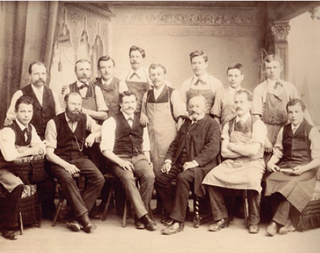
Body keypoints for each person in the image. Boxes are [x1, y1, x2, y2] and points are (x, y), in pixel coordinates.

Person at [202, 89, 267, 234]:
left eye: (242, 102)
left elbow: (253, 152)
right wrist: (243, 148)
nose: (238, 105)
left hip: (253, 163)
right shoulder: (228, 124)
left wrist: (232, 145)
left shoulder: (258, 124)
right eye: (236, 102)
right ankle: (221, 217)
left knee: (252, 181)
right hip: (232, 163)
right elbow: (224, 152)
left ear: (250, 104)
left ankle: (254, 220)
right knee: (211, 177)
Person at [156, 95, 220, 235]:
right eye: (191, 106)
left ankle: (178, 222)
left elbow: (213, 148)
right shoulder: (186, 123)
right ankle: (178, 210)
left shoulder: (211, 124)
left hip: (201, 166)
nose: (194, 109)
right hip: (180, 163)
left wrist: (194, 162)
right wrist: (168, 161)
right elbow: (175, 144)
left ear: (205, 107)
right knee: (160, 178)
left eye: (197, 106)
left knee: (182, 178)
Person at [45, 92, 105, 233]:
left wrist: (93, 134)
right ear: (65, 104)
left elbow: (102, 129)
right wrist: (66, 165)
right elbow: (49, 154)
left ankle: (73, 215)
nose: (76, 107)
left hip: (79, 158)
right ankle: (84, 218)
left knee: (99, 179)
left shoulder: (84, 118)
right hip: (59, 160)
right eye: (73, 104)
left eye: (79, 104)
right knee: (67, 178)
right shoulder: (54, 122)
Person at [100, 90, 156, 231]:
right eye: (126, 102)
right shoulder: (111, 121)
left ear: (136, 103)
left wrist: (147, 160)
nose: (130, 105)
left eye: (132, 102)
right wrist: (121, 162)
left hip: (138, 157)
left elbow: (146, 144)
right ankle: (144, 216)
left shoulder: (141, 121)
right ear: (120, 104)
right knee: (128, 177)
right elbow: (105, 149)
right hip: (119, 158)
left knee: (149, 175)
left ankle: (139, 216)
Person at [265, 98, 320, 236]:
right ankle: (288, 221)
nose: (293, 115)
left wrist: (303, 168)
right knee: (269, 180)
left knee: (291, 183)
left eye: (296, 111)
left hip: (305, 170)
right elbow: (278, 151)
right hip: (286, 166)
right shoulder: (284, 130)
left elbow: (318, 159)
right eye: (290, 112)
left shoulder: (311, 130)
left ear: (303, 112)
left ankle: (275, 223)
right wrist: (271, 162)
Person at [140, 63, 187, 216]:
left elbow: (180, 117)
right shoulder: (146, 95)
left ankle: (169, 209)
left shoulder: (173, 93)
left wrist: (178, 139)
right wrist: (143, 116)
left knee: (165, 174)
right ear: (150, 77)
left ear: (164, 75)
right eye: (153, 74)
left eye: (159, 74)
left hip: (169, 139)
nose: (156, 77)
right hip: (152, 140)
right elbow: (142, 115)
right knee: (155, 172)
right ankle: (160, 207)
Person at [0, 96, 45, 240]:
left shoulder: (30, 128)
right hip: (3, 168)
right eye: (23, 111)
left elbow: (42, 146)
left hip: (21, 168)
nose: (26, 115)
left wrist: (25, 149)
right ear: (15, 112)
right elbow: (9, 156)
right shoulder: (8, 131)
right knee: (16, 185)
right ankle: (7, 226)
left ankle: (33, 216)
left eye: (29, 111)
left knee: (46, 179)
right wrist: (30, 150)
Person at [252, 54, 313, 157]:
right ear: (265, 70)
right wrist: (265, 139)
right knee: (268, 162)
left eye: (275, 67)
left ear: (281, 68)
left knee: (289, 158)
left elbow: (302, 109)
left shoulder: (290, 88)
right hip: (267, 131)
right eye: (268, 68)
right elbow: (255, 117)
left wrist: (312, 127)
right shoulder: (259, 89)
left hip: (287, 130)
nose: (272, 71)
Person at [5, 61, 62, 140]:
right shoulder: (20, 94)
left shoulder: (53, 94)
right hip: (27, 140)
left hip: (50, 140)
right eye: (36, 74)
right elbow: (10, 119)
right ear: (29, 76)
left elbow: (60, 117)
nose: (40, 77)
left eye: (43, 73)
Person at [61, 58, 108, 123]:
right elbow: (61, 114)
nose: (84, 73)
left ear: (90, 71)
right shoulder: (68, 89)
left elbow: (104, 115)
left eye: (87, 69)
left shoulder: (96, 89)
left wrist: (85, 111)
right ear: (75, 72)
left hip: (93, 130)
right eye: (81, 69)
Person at [180, 50, 223, 115]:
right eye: (194, 63)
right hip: (191, 122)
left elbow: (218, 110)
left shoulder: (216, 83)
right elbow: (182, 108)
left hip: (209, 123)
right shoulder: (186, 84)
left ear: (206, 64)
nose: (196, 66)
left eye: (199, 63)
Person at [211, 63, 244, 127]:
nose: (233, 79)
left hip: (242, 132)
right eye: (230, 76)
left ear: (242, 77)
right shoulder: (221, 94)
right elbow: (216, 117)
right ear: (227, 77)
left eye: (236, 76)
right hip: (224, 131)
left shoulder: (246, 94)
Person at [124, 45, 152, 114]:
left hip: (146, 113)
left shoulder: (149, 74)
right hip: (129, 113)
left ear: (143, 58)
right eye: (132, 56)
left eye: (137, 57)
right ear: (129, 58)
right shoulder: (123, 75)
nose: (134, 59)